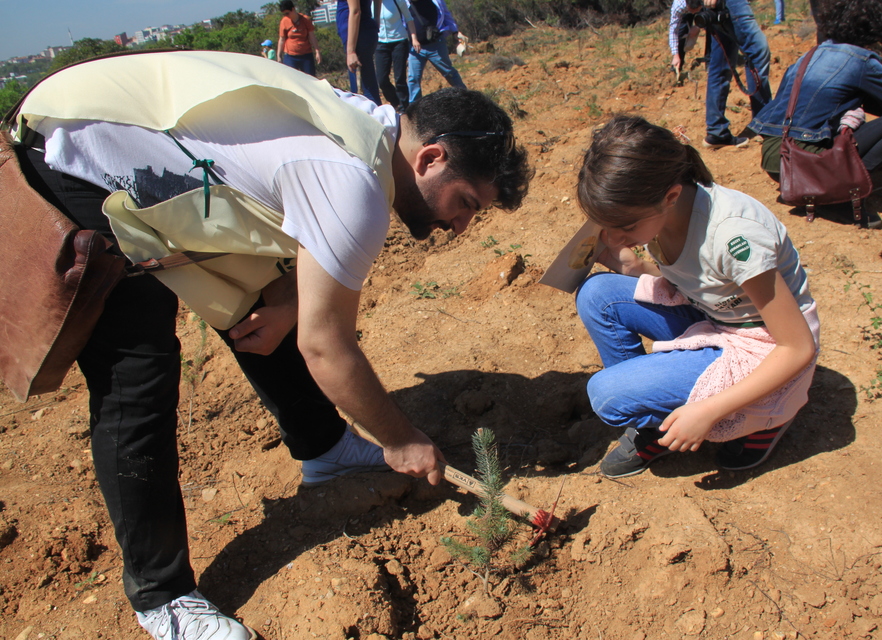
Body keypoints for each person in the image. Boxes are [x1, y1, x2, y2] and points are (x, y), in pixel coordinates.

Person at [7, 50, 530, 640]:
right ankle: (164, 598)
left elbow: (287, 234)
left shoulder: (366, 130)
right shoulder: (352, 179)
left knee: (263, 296)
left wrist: (284, 298)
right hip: (76, 152)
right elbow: (326, 346)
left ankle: (324, 448)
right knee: (138, 371)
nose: (459, 225)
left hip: (115, 130)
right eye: (465, 203)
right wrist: (402, 440)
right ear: (430, 158)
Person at [575, 116, 819, 479]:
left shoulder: (735, 239)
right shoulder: (667, 212)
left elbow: (797, 347)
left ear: (670, 196)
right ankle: (658, 421)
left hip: (762, 347)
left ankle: (763, 420)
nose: (612, 238)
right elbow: (699, 277)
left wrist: (709, 411)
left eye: (625, 227)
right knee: (597, 293)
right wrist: (635, 265)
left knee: (607, 395)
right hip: (718, 317)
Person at [748, 0, 882, 229]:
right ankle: (840, 196)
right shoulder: (861, 61)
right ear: (878, 28)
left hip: (775, 158)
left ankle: (818, 191)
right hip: (805, 160)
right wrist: (864, 98)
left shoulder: (809, 55)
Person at [670, 0, 772, 148]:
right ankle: (766, 124)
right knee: (756, 50)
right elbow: (674, 26)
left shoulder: (681, 4)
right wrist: (676, 54)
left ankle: (717, 132)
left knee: (721, 62)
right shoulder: (678, 6)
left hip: (718, 5)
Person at [406, 0, 466, 105]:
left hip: (436, 44)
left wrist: (455, 32)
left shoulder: (436, 1)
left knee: (449, 73)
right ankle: (413, 109)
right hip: (415, 47)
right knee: (413, 78)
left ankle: (467, 98)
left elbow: (447, 15)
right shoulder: (404, 3)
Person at [376, 0, 421, 113]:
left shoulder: (397, 1)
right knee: (382, 80)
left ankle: (405, 109)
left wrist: (414, 38)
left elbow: (409, 18)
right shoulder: (371, 3)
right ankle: (396, 103)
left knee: (400, 78)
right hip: (380, 43)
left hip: (399, 41)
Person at [337, 0, 382, 104]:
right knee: (368, 84)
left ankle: (374, 118)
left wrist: (351, 51)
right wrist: (376, 19)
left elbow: (356, 11)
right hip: (363, 32)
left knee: (362, 92)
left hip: (357, 37)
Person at [278, 0, 322, 75]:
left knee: (310, 78)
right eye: (284, 14)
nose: (286, 16)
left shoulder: (305, 20)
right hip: (290, 56)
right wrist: (279, 55)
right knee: (291, 79)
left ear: (293, 9)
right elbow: (282, 39)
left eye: (287, 13)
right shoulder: (284, 21)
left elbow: (312, 36)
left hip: (306, 55)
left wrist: (317, 51)